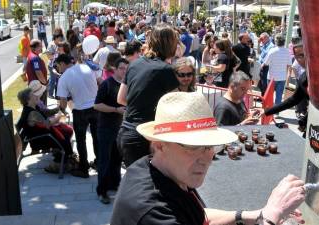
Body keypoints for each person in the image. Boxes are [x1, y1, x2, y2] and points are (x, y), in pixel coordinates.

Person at [110, 91, 306, 225]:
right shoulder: (153, 211)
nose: (207, 158)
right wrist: (271, 216)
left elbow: (199, 217)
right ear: (160, 145)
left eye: (210, 145)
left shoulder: (158, 170)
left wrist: (254, 215)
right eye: (193, 146)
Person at [116, 24, 179, 167]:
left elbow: (121, 98)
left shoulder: (134, 64)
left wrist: (141, 104)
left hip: (126, 133)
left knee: (135, 184)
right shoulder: (166, 70)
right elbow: (177, 107)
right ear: (172, 45)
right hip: (145, 138)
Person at [56, 54, 98, 178]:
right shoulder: (86, 68)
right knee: (96, 137)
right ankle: (99, 163)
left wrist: (61, 110)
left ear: (63, 63)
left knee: (81, 140)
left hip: (80, 110)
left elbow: (63, 101)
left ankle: (83, 168)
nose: (58, 69)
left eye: (58, 66)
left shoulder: (64, 77)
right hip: (95, 108)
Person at [16, 82, 75, 173]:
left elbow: (46, 114)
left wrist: (59, 109)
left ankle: (64, 158)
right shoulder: (32, 113)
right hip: (41, 139)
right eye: (33, 96)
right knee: (64, 135)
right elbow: (48, 124)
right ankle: (61, 162)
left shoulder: (33, 107)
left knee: (64, 131)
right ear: (28, 100)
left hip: (43, 135)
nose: (36, 96)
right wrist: (59, 116)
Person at [94, 58, 129, 204]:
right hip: (105, 128)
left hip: (120, 128)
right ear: (114, 69)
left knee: (117, 159)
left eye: (126, 69)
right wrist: (115, 109)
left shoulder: (126, 85)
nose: (124, 71)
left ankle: (115, 185)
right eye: (121, 68)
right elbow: (96, 105)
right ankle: (102, 191)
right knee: (104, 160)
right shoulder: (107, 84)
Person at [262, 34, 292, 106]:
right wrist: (288, 75)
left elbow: (266, 63)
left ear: (276, 41)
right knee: (279, 95)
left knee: (270, 94)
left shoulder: (272, 51)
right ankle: (276, 111)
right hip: (282, 77)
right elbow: (289, 65)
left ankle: (269, 109)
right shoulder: (287, 51)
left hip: (271, 77)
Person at [26, 40, 48, 104]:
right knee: (42, 106)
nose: (42, 48)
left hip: (35, 85)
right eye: (40, 46)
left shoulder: (31, 55)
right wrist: (45, 83)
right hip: (39, 87)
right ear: (35, 47)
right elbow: (38, 72)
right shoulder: (34, 58)